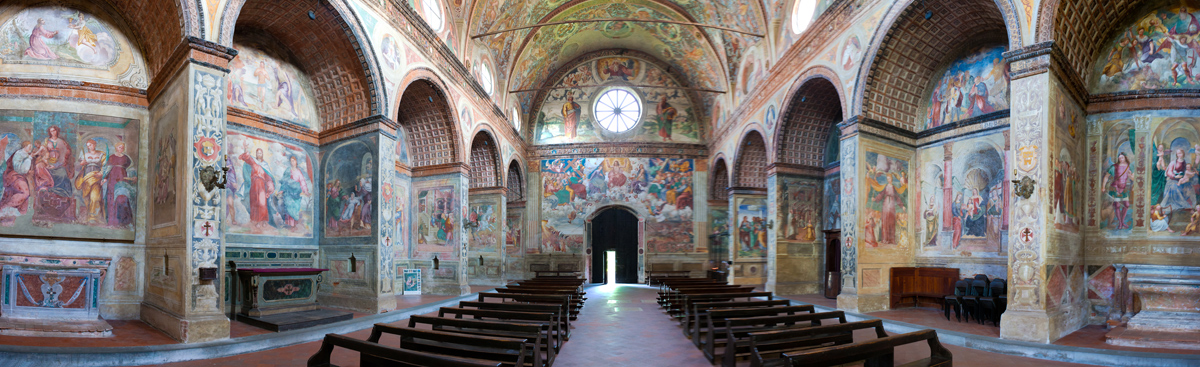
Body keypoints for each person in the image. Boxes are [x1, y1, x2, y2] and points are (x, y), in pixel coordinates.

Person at [240, 148, 275, 228]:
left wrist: (270, 186)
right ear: (256, 154)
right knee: (254, 203)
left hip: (262, 185)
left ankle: (263, 220)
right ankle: (257, 221)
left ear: (262, 154)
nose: (259, 154)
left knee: (262, 203)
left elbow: (268, 177)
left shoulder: (265, 165)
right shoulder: (254, 162)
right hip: (254, 185)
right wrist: (245, 149)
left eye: (260, 153)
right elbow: (247, 158)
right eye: (258, 153)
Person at [0, 139, 33, 225]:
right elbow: (21, 169)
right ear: (25, 147)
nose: (30, 148)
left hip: (21, 176)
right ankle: (6, 207)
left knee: (26, 193)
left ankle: (9, 210)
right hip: (14, 176)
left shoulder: (25, 154)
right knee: (25, 192)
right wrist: (29, 158)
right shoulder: (19, 154)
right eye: (29, 147)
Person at [74, 139, 107, 224]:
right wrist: (81, 164)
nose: (89, 147)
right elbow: (76, 167)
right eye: (88, 146)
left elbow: (106, 166)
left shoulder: (101, 155)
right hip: (86, 178)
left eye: (91, 145)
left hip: (96, 177)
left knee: (95, 197)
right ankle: (89, 215)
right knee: (86, 197)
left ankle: (94, 217)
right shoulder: (84, 155)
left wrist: (101, 173)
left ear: (94, 145)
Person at [104, 142, 134, 228]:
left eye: (122, 147)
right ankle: (112, 221)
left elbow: (130, 167)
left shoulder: (126, 158)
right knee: (112, 197)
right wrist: (105, 178)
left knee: (122, 196)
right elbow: (108, 168)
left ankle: (123, 221)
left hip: (122, 176)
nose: (121, 148)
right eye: (120, 147)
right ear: (116, 147)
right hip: (113, 177)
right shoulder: (112, 157)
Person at [1105, 153, 1133, 229]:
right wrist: (1103, 186)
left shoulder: (1129, 166)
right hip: (1115, 187)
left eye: (1122, 157)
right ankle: (1120, 223)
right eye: (1119, 158)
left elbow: (1133, 178)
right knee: (1117, 205)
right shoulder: (1114, 166)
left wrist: (1130, 175)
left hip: (1124, 189)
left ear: (1125, 157)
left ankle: (1122, 221)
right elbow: (1106, 176)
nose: (1120, 159)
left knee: (1126, 205)